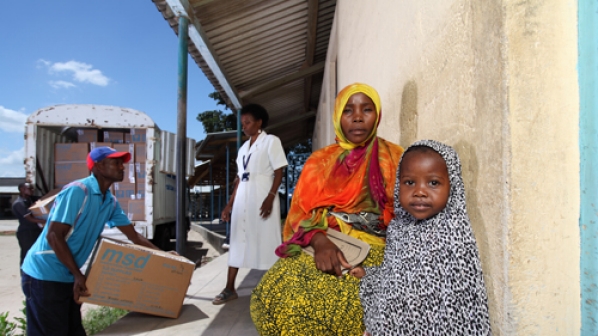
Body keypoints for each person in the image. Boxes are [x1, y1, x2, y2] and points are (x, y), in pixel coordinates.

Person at [250, 83, 404, 335]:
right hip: (324, 241)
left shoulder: (395, 157)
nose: (357, 117)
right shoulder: (319, 162)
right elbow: (300, 216)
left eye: (367, 109)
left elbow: (406, 217)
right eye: (348, 111)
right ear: (337, 116)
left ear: (377, 115)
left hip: (375, 251)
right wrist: (320, 241)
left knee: (313, 308)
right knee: (267, 296)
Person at [352, 140, 491, 335]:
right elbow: (395, 277)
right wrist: (370, 275)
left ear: (453, 187)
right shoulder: (399, 228)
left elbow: (458, 306)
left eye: (433, 183)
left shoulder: (453, 236)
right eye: (409, 182)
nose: (419, 192)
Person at [21, 146, 163, 336]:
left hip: (68, 275)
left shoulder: (109, 201)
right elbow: (54, 235)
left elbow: (134, 236)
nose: (122, 167)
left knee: (73, 330)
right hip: (44, 274)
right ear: (98, 166)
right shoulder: (78, 191)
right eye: (116, 163)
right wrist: (78, 274)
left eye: (123, 163)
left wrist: (163, 255)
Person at [213, 104, 288, 305]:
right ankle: (230, 288)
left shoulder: (270, 141)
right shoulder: (243, 148)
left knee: (267, 241)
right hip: (242, 200)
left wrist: (271, 197)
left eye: (247, 122)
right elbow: (239, 178)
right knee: (237, 241)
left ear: (259, 122)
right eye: (242, 123)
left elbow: (279, 171)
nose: (244, 126)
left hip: (262, 197)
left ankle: (277, 289)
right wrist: (229, 204)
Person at [12, 182, 46, 266]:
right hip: (26, 232)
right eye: (30, 188)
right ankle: (25, 276)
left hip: (35, 231)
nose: (32, 190)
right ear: (22, 190)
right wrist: (45, 221)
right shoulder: (19, 203)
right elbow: (30, 219)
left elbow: (45, 198)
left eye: (32, 188)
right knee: (26, 254)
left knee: (36, 253)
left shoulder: (30, 199)